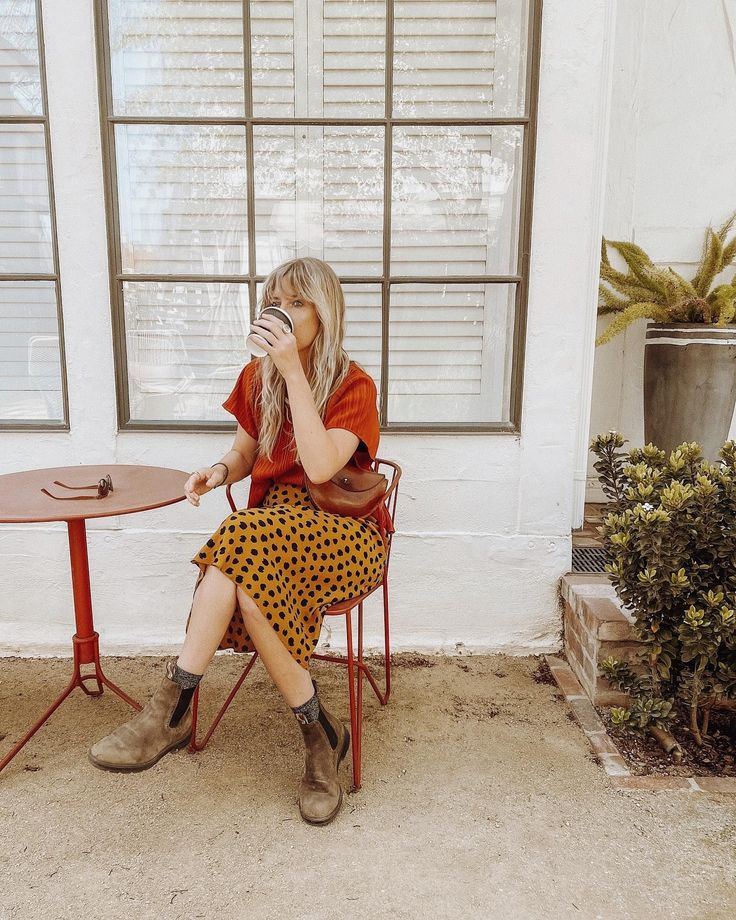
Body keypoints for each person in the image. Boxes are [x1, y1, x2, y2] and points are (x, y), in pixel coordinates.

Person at [87, 256, 394, 826]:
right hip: (266, 532)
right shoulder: (256, 379)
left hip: (343, 536)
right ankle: (321, 733)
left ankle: (172, 709)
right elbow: (246, 453)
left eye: (297, 301)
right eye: (274, 299)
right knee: (247, 572)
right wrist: (219, 472)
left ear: (323, 314)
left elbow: (323, 468)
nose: (282, 311)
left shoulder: (353, 384)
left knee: (236, 541)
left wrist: (294, 374)